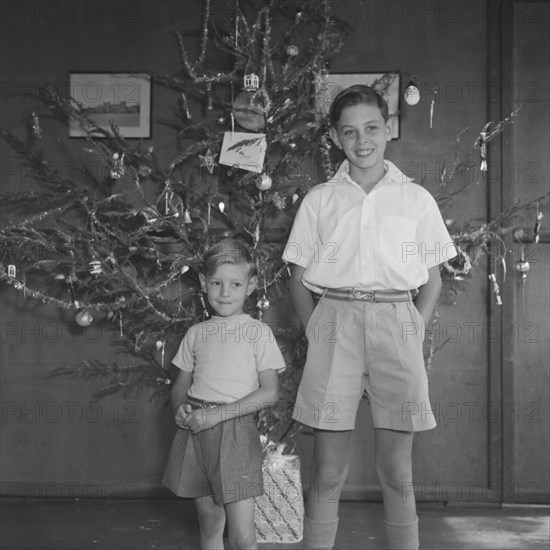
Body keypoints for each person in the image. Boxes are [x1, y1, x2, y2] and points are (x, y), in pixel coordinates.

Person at [283, 85, 457, 550]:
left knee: (397, 469)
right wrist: (317, 328)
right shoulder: (320, 199)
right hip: (334, 321)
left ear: (388, 129)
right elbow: (298, 279)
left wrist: (412, 326)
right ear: (336, 138)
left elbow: (433, 279)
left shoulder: (415, 199)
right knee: (327, 468)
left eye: (372, 128)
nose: (363, 141)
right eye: (350, 132)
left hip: (396, 320)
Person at [163, 238, 286, 550]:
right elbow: (181, 383)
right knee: (210, 522)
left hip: (235, 433)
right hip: (196, 432)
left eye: (235, 283)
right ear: (204, 283)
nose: (225, 292)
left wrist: (217, 414)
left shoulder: (258, 332)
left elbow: (270, 391)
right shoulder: (196, 334)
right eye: (216, 283)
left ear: (251, 285)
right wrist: (179, 407)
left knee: (243, 536)